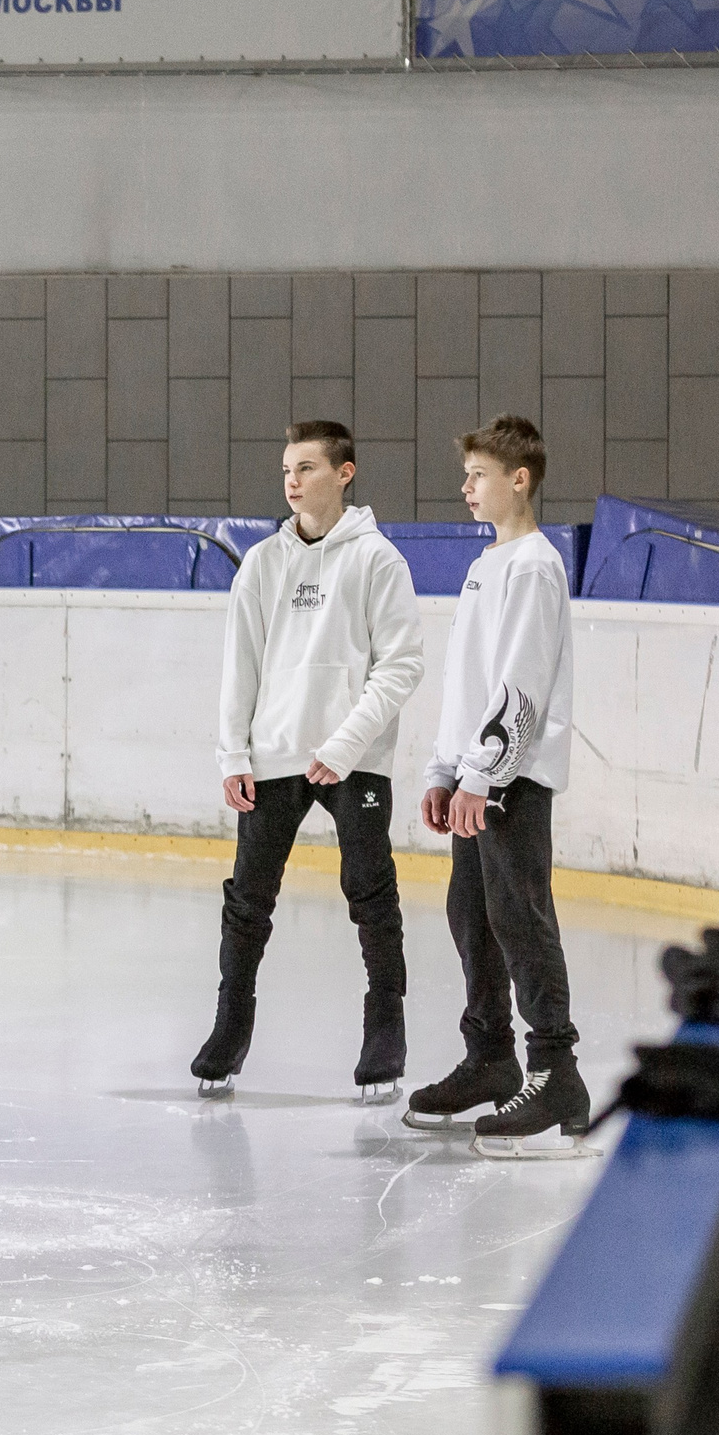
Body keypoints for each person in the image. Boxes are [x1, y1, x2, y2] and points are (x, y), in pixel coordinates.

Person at [192, 420, 425, 1102]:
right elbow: (241, 667)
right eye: (287, 469)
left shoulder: (378, 559)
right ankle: (228, 1031)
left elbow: (403, 663)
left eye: (307, 468)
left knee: (371, 893)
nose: (291, 481)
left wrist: (346, 743)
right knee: (247, 903)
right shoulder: (263, 563)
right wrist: (233, 752)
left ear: (344, 473)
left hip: (355, 759)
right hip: (272, 755)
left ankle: (386, 1030)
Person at [406, 416, 590, 1157]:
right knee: (472, 915)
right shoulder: (489, 564)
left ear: (520, 478)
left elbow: (520, 687)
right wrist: (445, 769)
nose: (466, 488)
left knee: (520, 918)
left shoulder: (535, 566)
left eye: (478, 475)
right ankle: (490, 1057)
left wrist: (483, 774)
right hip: (476, 780)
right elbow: (467, 683)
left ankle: (556, 1069)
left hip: (510, 782)